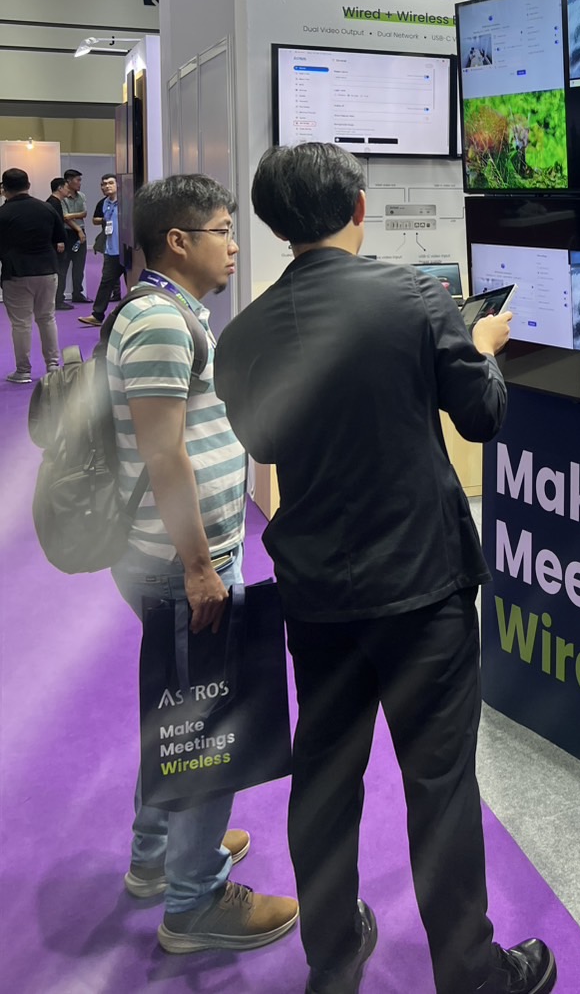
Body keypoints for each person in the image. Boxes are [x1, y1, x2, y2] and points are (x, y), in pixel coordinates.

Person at [214, 143, 555, 994]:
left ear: (273, 224)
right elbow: (481, 417)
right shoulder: (416, 296)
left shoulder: (244, 333)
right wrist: (480, 345)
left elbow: (263, 441)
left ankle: (332, 955)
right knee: (440, 783)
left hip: (316, 591)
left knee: (326, 776)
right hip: (423, 584)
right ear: (359, 208)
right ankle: (472, 976)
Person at [107, 174, 298, 956]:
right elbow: (164, 454)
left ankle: (157, 856)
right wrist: (198, 566)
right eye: (222, 229)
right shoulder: (159, 320)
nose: (233, 245)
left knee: (178, 710)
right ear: (178, 241)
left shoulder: (170, 312)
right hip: (181, 562)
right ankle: (194, 901)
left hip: (180, 556)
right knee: (204, 727)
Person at [0, 167, 66, 383]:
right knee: (47, 318)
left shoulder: (3, 214)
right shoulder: (47, 208)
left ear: (4, 189)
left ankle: (23, 371)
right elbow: (60, 238)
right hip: (47, 270)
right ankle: (53, 365)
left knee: (21, 324)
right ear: (28, 185)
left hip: (16, 273)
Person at [79, 173, 124, 326]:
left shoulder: (127, 202)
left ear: (118, 185)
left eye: (110, 183)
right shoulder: (104, 203)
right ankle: (97, 315)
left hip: (128, 249)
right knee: (106, 283)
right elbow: (96, 219)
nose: (106, 186)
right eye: (103, 184)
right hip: (111, 250)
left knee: (133, 285)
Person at [58, 167, 89, 304]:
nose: (79, 183)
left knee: (79, 266)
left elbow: (84, 213)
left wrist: (72, 216)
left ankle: (78, 293)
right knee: (63, 266)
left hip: (80, 234)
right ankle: (59, 297)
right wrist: (78, 229)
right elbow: (65, 217)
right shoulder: (63, 198)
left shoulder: (81, 196)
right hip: (68, 234)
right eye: (78, 180)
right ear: (69, 181)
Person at [46, 178, 72, 310]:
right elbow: (55, 224)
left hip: (55, 243)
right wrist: (59, 240)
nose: (68, 190)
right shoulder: (53, 203)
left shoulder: (54, 202)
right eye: (66, 187)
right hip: (56, 244)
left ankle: (57, 299)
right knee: (60, 272)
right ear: (60, 188)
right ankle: (58, 300)